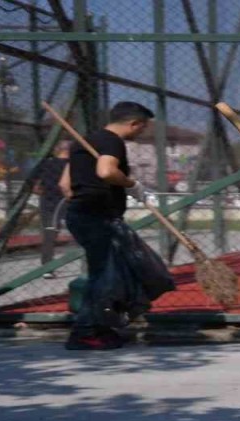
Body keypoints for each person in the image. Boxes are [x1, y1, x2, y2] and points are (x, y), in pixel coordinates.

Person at [59, 101, 155, 351]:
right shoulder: (112, 141)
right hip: (97, 216)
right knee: (103, 277)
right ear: (134, 123)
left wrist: (85, 198)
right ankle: (85, 333)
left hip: (80, 214)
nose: (141, 133)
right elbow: (106, 171)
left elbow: (65, 185)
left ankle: (100, 327)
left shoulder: (84, 141)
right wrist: (130, 184)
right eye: (142, 128)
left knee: (105, 274)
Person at [34, 140, 71, 277]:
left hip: (48, 201)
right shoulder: (74, 164)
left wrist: (46, 191)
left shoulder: (46, 163)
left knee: (49, 235)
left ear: (57, 149)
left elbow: (36, 187)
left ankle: (47, 268)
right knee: (81, 231)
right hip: (68, 200)